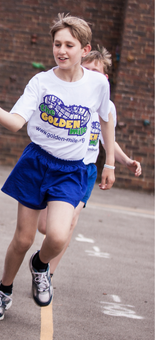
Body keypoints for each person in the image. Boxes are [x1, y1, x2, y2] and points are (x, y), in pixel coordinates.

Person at [0, 13, 116, 321]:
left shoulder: (98, 84)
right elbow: (16, 123)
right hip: (37, 162)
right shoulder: (41, 82)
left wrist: (110, 162)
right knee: (23, 238)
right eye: (57, 44)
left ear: (84, 49)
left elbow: (106, 119)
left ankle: (40, 265)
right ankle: (3, 291)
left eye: (69, 45)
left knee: (58, 236)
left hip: (71, 170)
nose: (61, 50)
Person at [37, 46, 142, 277]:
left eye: (97, 71)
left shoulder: (107, 106)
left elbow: (108, 140)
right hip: (60, 164)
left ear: (104, 77)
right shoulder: (73, 97)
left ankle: (47, 273)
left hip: (85, 170)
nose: (91, 74)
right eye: (87, 69)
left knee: (70, 223)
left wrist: (124, 161)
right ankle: (44, 256)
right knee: (44, 226)